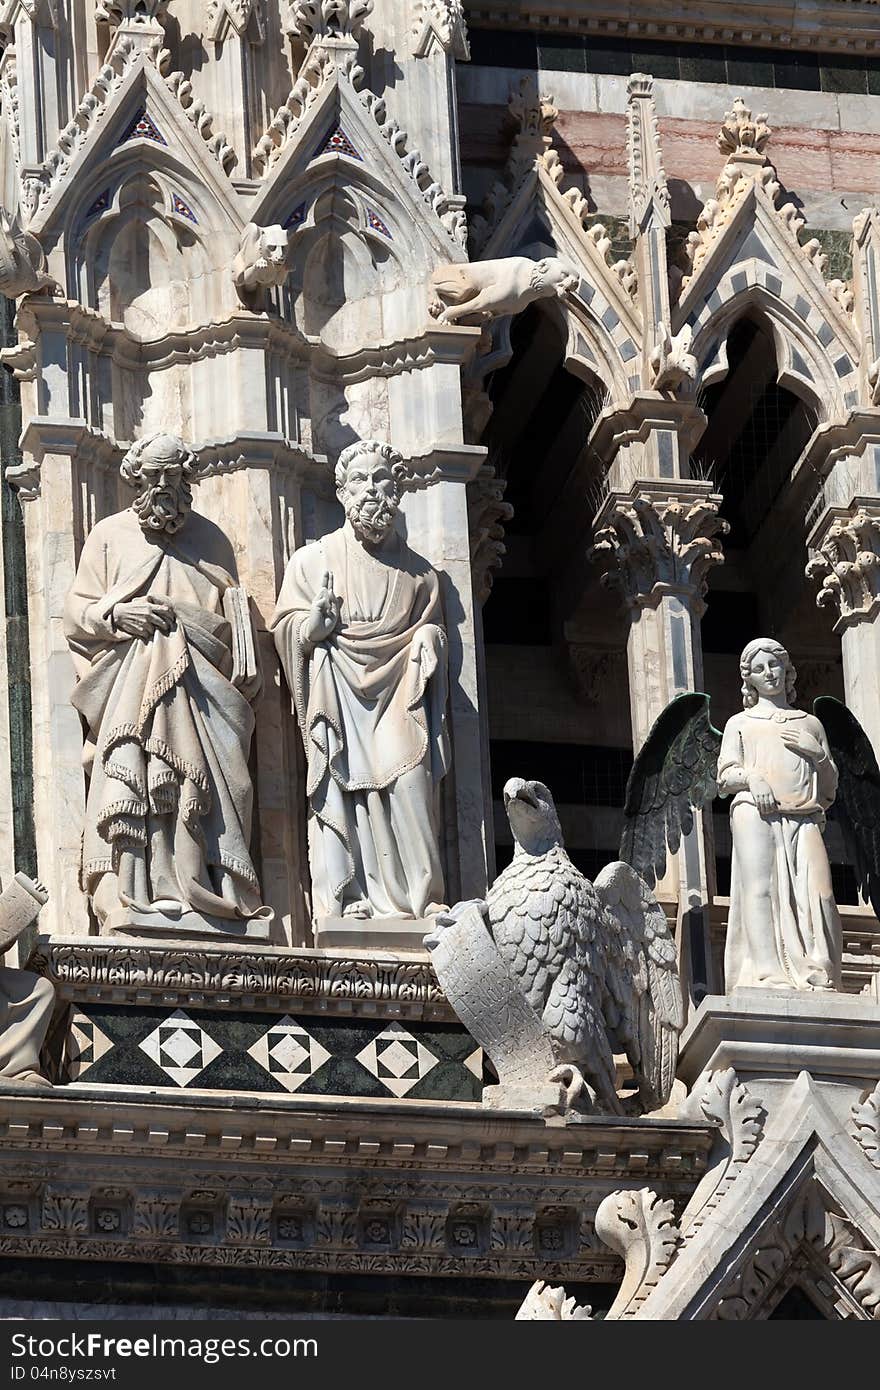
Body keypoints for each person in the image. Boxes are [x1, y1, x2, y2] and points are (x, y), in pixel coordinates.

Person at [64, 432, 268, 936]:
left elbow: (229, 620)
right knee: (136, 777)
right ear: (135, 479)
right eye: (153, 477)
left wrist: (218, 638)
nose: (162, 487)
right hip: (133, 688)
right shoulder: (110, 536)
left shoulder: (213, 541)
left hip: (204, 697)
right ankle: (133, 890)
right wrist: (118, 614)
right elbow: (76, 613)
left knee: (208, 785)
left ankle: (198, 886)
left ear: (188, 481)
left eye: (173, 477)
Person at [271, 438, 450, 922]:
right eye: (360, 481)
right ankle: (351, 898)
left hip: (400, 693)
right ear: (342, 492)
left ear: (397, 492)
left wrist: (430, 641)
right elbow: (286, 630)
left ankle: (419, 901)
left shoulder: (422, 576)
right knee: (344, 787)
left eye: (381, 481)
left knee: (411, 783)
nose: (372, 491)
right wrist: (312, 628)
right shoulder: (313, 562)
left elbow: (432, 627)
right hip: (338, 693)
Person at [718, 637, 842, 991]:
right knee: (760, 889)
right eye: (758, 669)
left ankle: (820, 969)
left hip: (804, 816)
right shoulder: (739, 723)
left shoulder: (811, 724)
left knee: (821, 893)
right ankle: (768, 972)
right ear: (749, 679)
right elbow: (724, 776)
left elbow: (830, 790)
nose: (768, 673)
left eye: (773, 665)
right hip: (754, 812)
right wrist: (752, 777)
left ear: (787, 670)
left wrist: (816, 754)